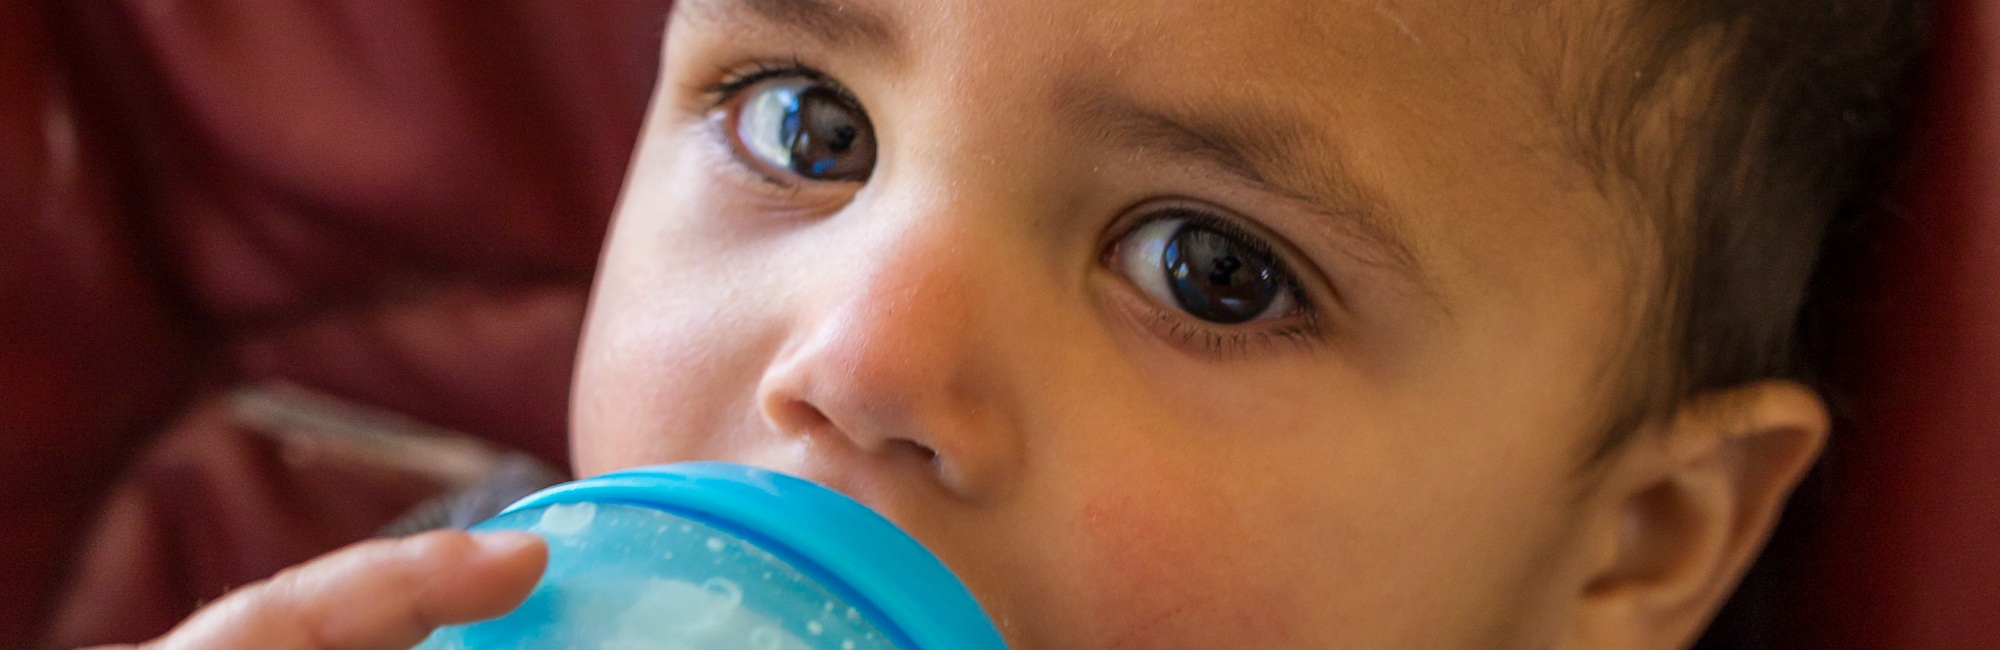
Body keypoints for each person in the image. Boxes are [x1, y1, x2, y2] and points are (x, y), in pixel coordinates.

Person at [97, 0, 1927, 647]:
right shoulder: (434, 603)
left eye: (1210, 267)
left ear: (1631, 544)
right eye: (805, 123)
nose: (858, 362)